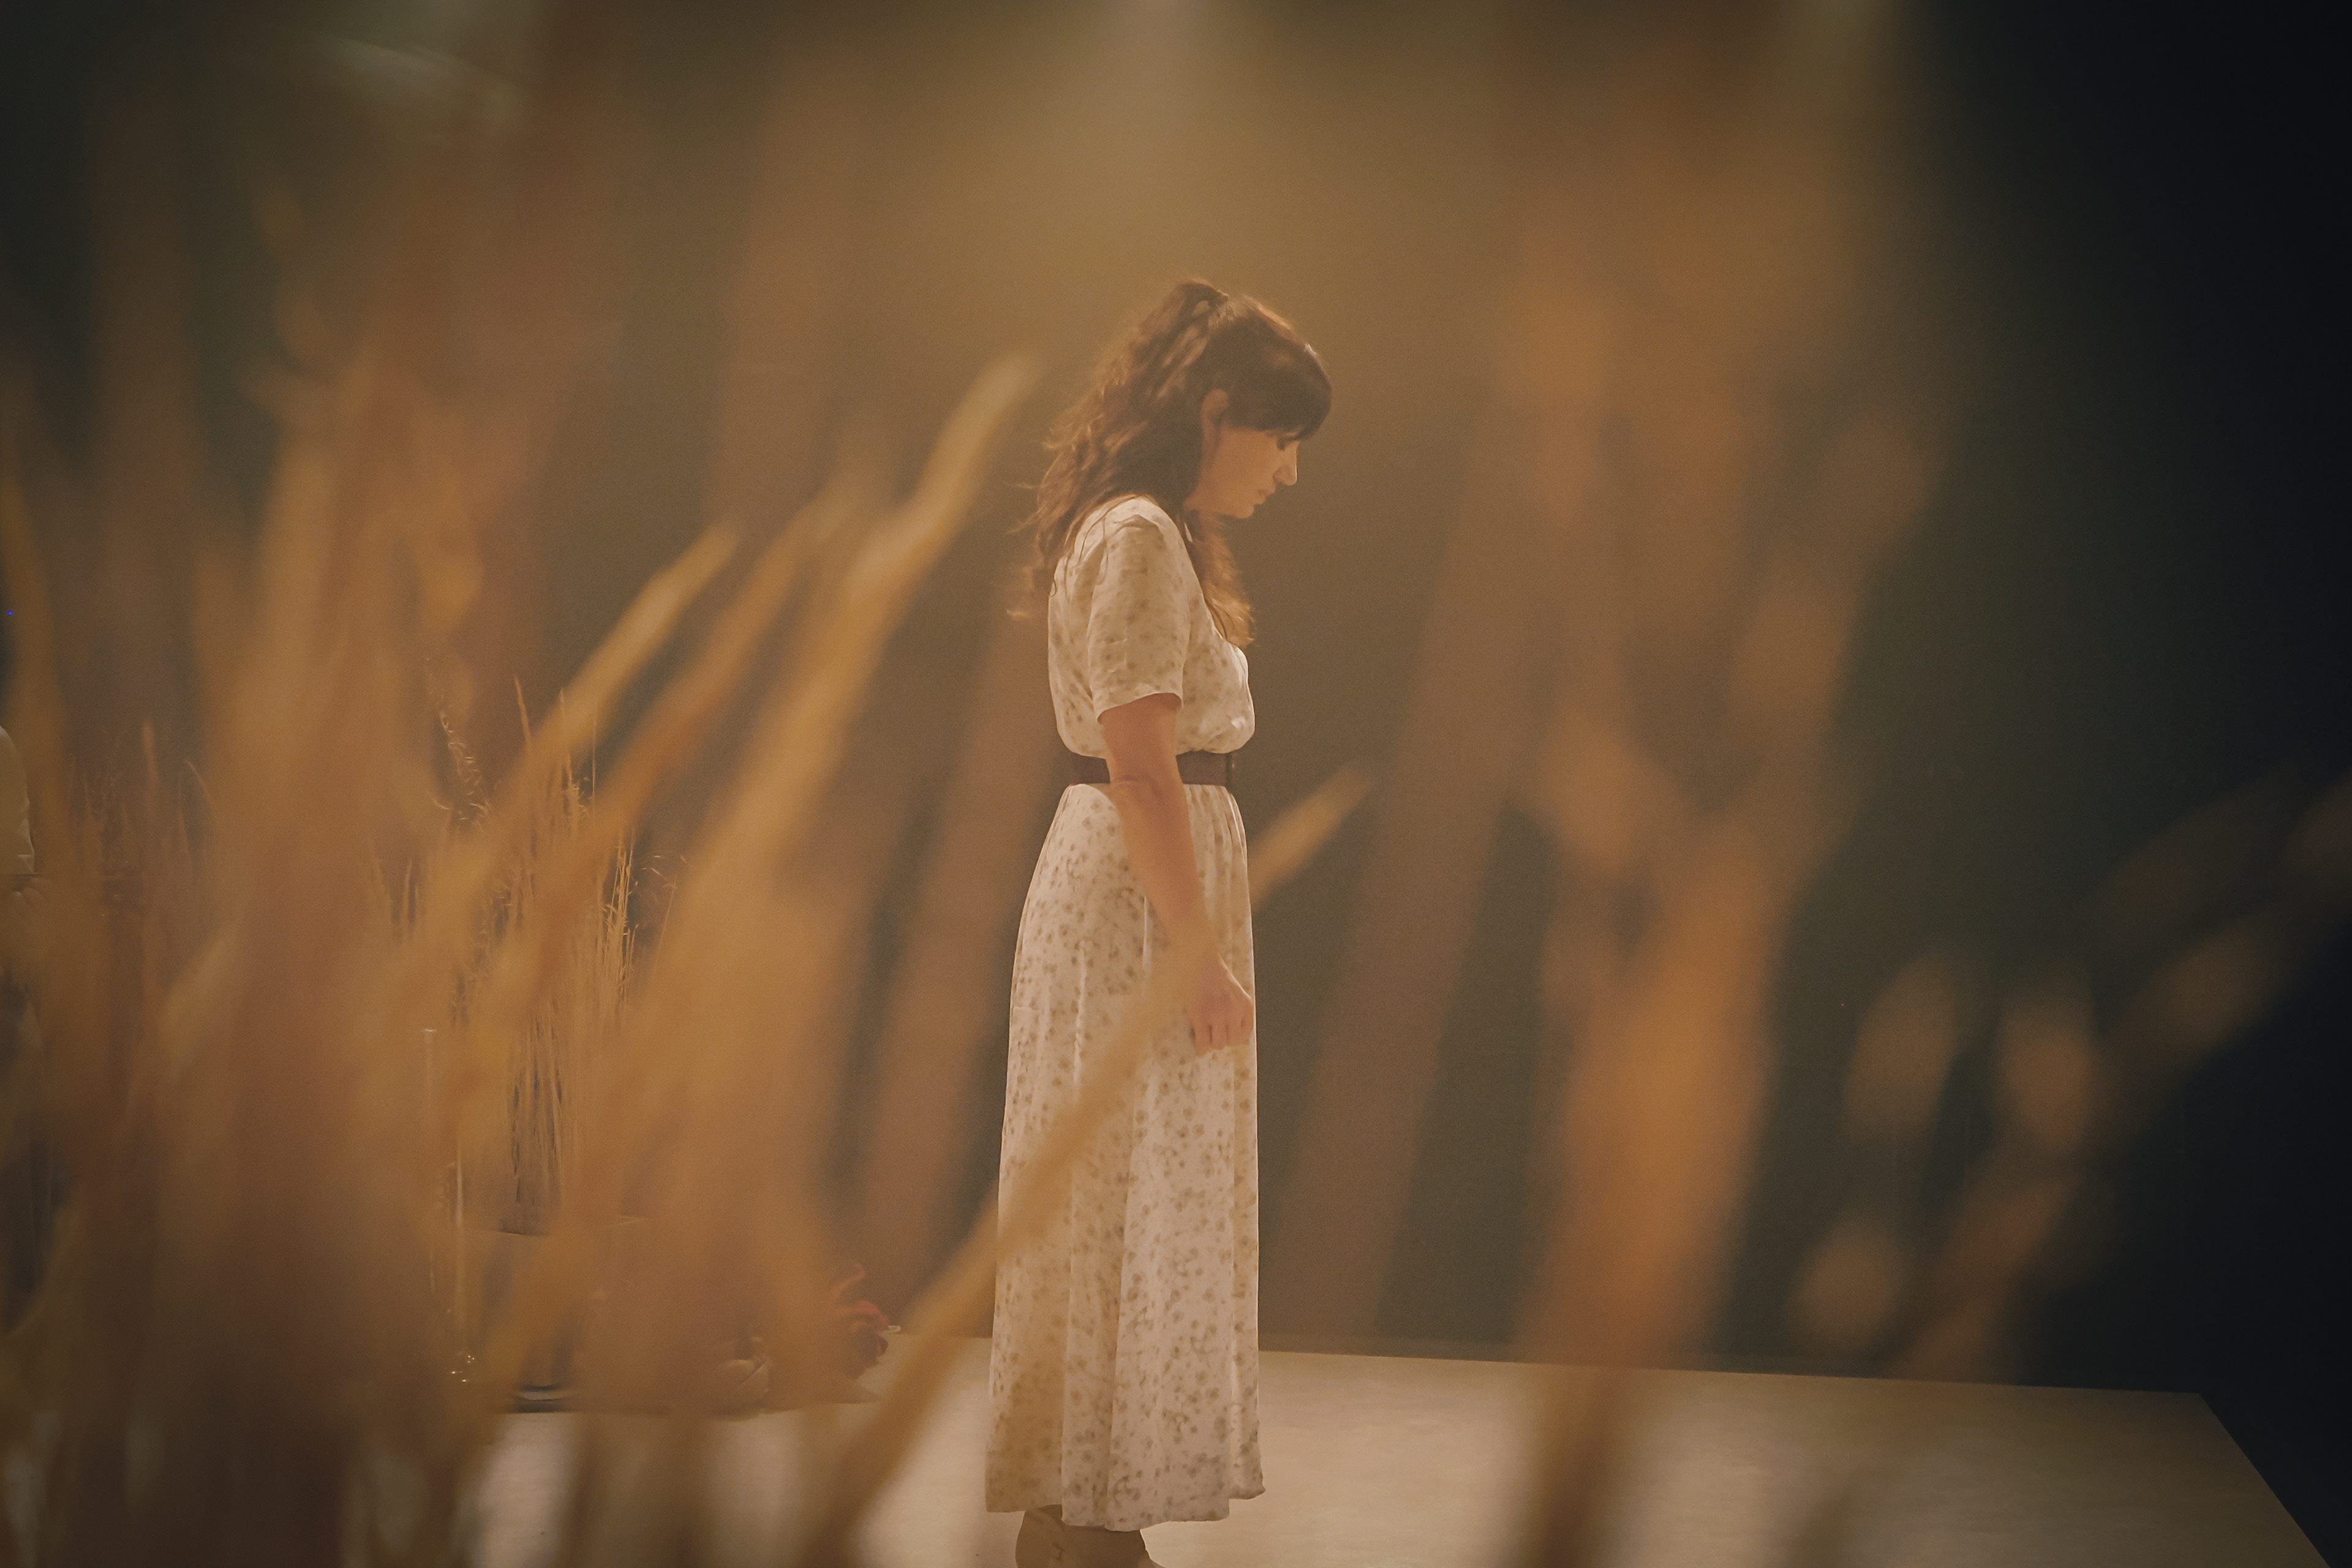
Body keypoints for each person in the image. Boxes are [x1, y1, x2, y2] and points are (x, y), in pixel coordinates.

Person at [986, 280, 1330, 1568]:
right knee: (1119, 1198)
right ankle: (1084, 1523)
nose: (1287, 473)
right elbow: (1139, 766)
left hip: (1147, 881)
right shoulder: (1136, 532)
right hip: (1137, 900)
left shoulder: (1149, 530)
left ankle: (1079, 1518)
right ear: (1214, 410)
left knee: (1125, 1198)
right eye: (1279, 438)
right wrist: (1197, 955)